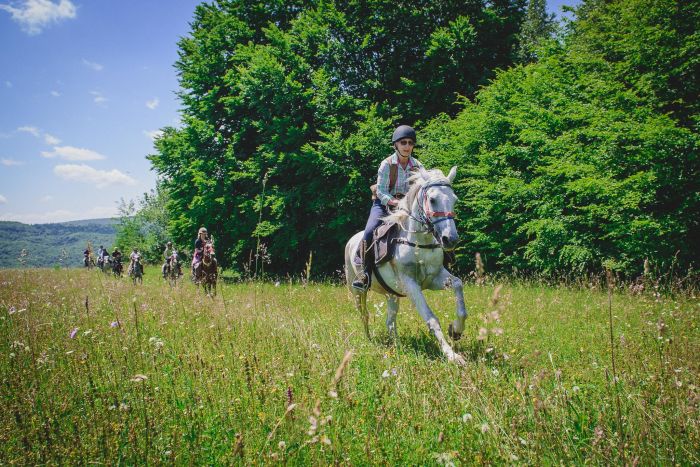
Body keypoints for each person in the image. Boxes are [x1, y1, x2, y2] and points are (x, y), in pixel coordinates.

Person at [351, 124, 424, 290]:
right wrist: (395, 202)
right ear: (396, 145)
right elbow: (382, 192)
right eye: (403, 142)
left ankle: (445, 264)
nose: (407, 146)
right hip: (384, 204)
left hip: (408, 207)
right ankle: (364, 273)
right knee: (370, 230)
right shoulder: (386, 164)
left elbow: (422, 188)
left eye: (410, 143)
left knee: (434, 225)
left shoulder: (418, 166)